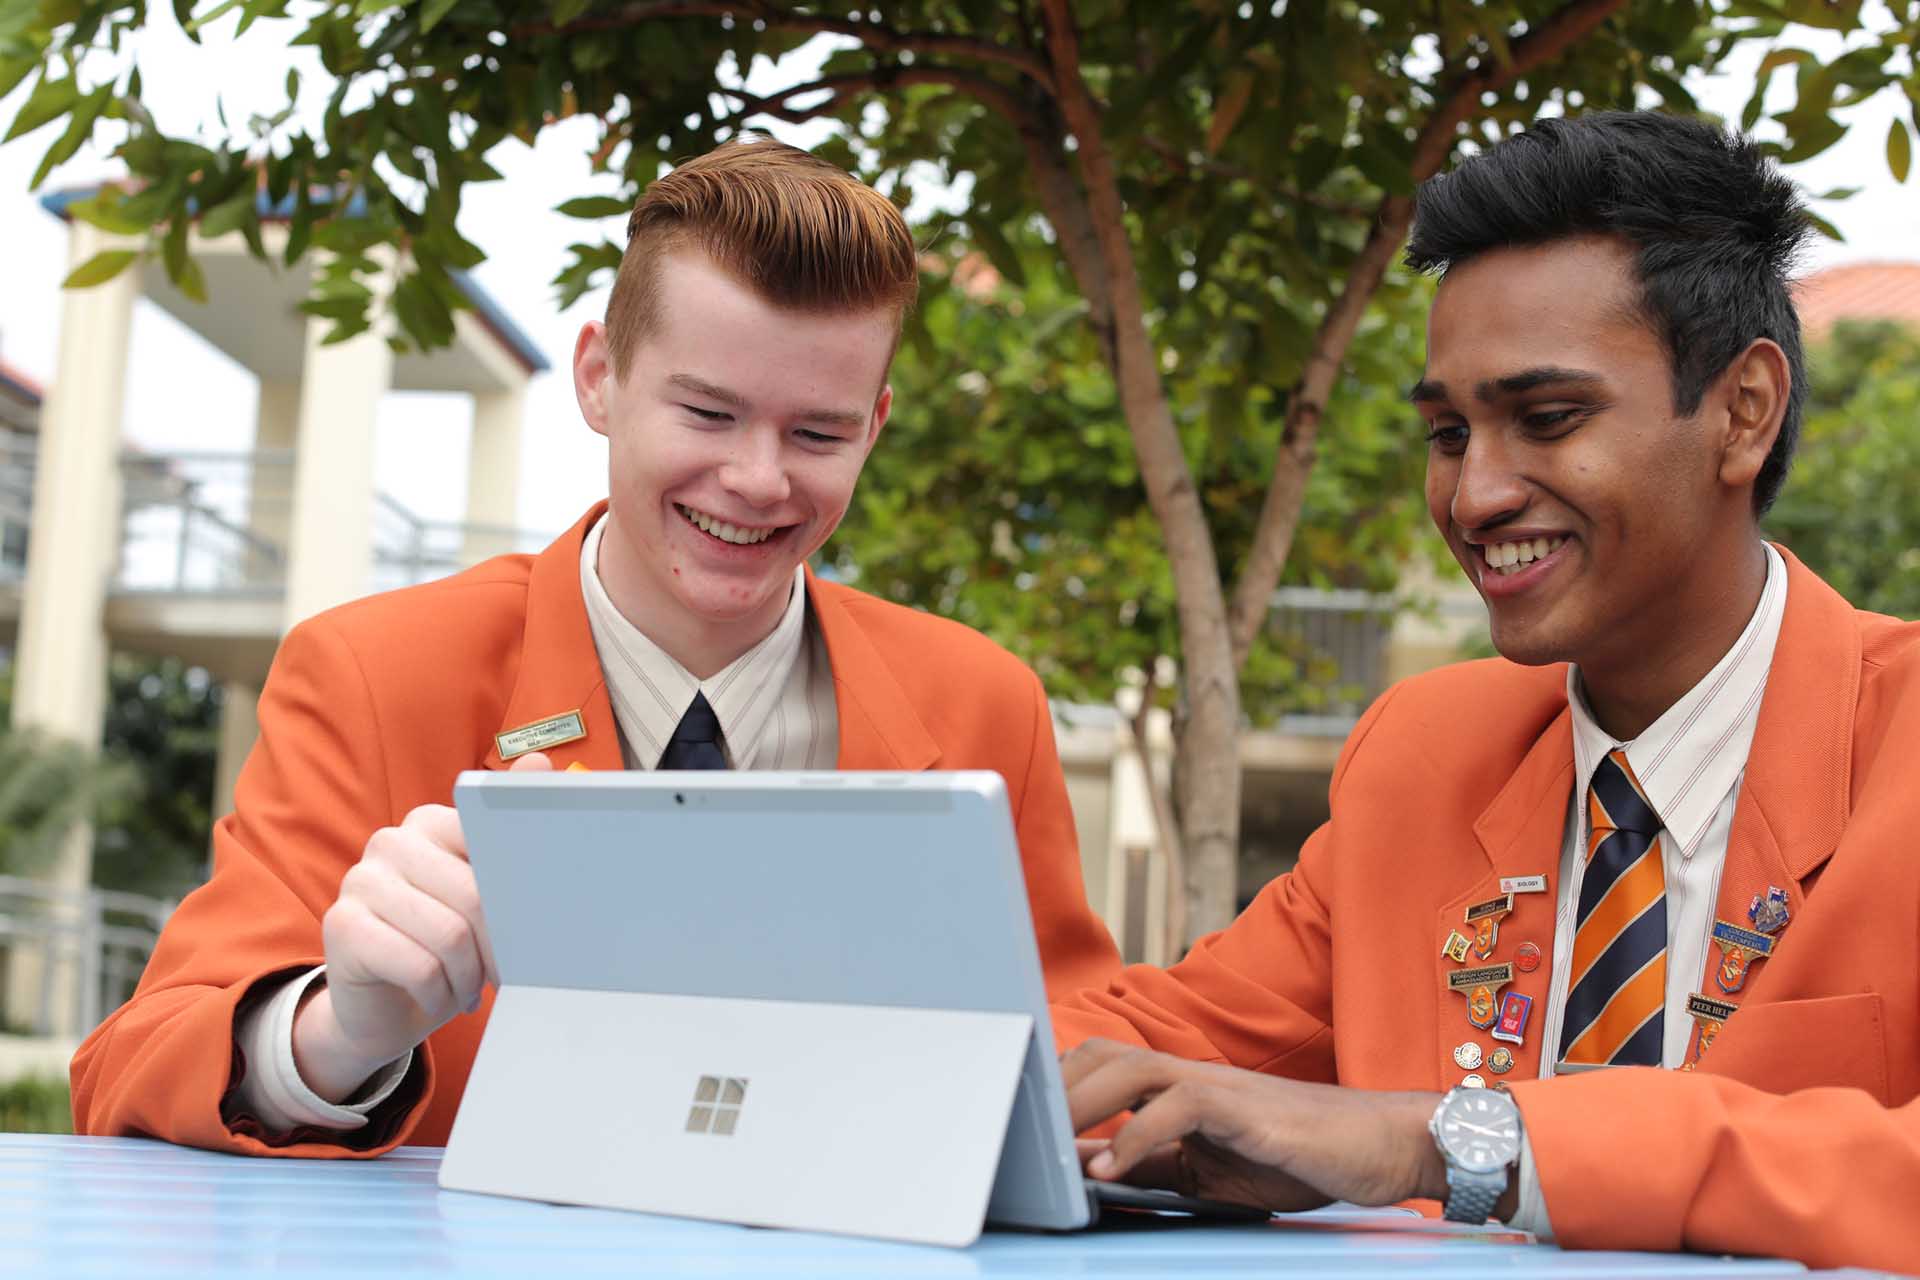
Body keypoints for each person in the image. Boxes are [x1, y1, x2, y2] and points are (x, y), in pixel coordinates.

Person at [71, 138, 1120, 1153]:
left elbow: (1084, 1069)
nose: (759, 479)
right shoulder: (371, 672)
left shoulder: (989, 704)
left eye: (818, 434)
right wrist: (338, 1034)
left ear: (876, 425)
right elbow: (126, 1068)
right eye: (708, 412)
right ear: (598, 377)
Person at [1054, 111, 1919, 1273]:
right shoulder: (1426, 747)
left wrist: (1449, 1142)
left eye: (1548, 418)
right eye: (1450, 431)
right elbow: (1143, 1044)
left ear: (1742, 411)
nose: (1474, 495)